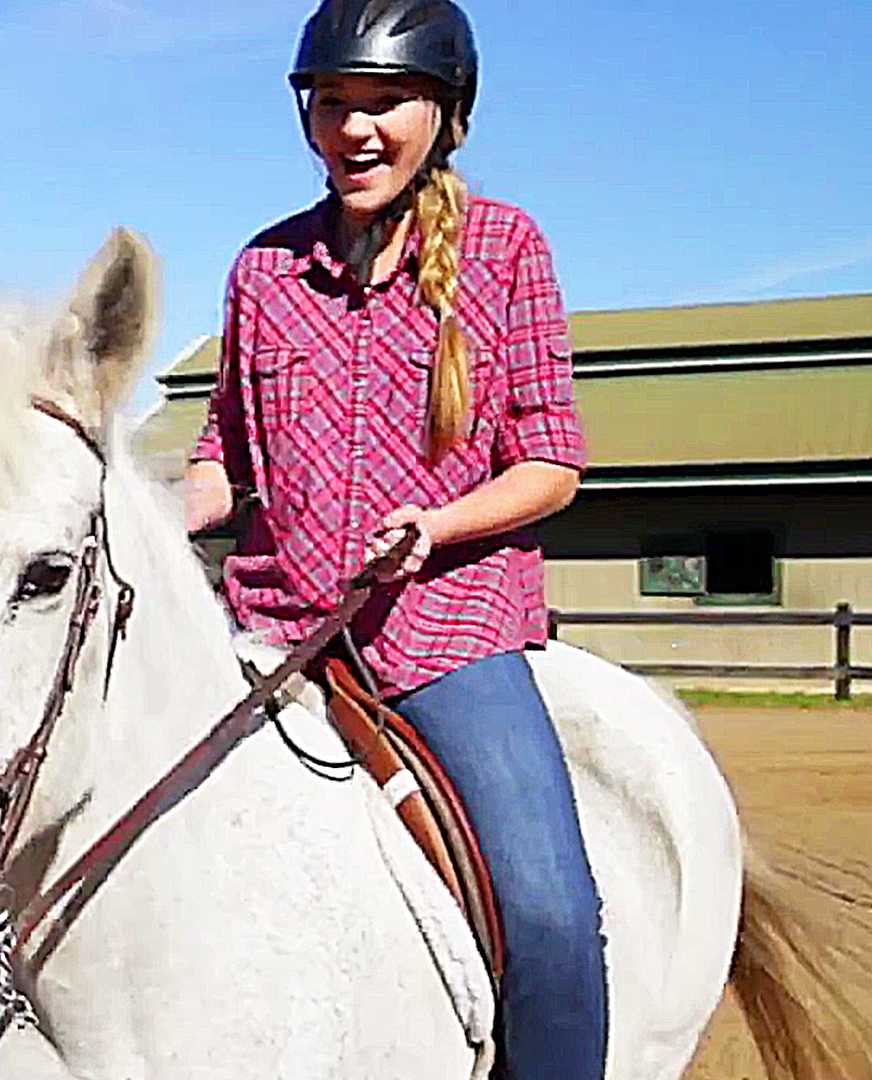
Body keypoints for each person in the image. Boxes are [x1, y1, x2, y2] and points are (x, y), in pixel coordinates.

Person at [181, 1, 606, 1077]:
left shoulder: (507, 249)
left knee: (550, 914)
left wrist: (439, 524)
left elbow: (551, 462)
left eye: (386, 103)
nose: (356, 129)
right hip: (272, 635)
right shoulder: (264, 271)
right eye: (334, 103)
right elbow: (224, 456)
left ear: (445, 116)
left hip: (447, 636)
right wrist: (138, 510)